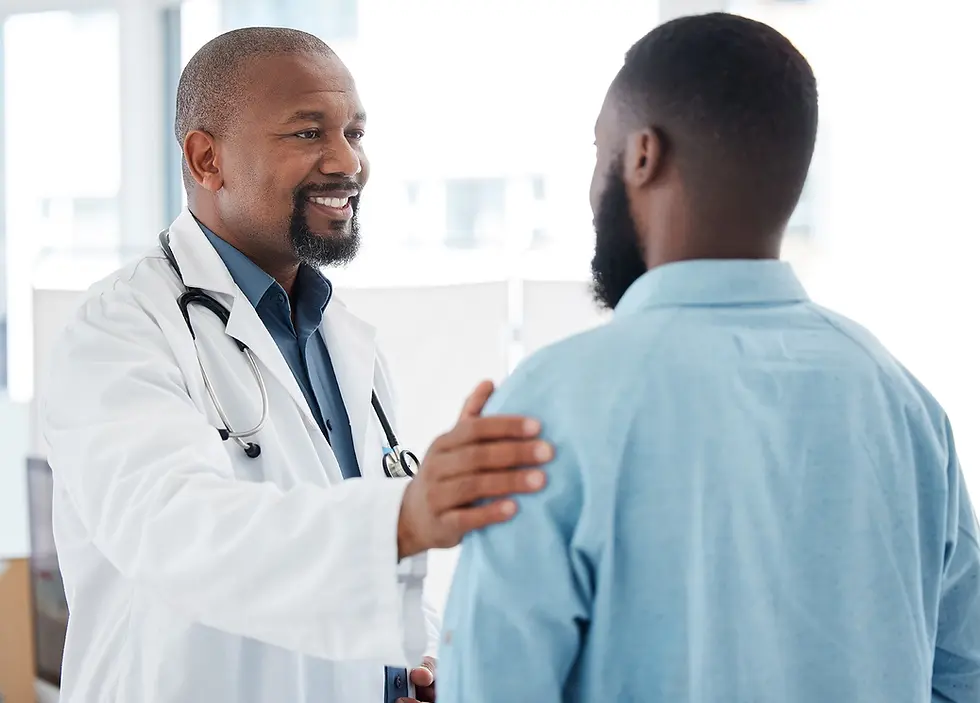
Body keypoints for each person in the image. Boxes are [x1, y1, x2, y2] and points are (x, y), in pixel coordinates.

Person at [437, 12, 980, 703]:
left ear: (642, 155)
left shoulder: (545, 405)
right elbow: (962, 677)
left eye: (597, 152)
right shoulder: (905, 406)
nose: (590, 185)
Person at [40, 27, 552, 703]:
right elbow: (177, 532)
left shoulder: (344, 340)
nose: (348, 162)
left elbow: (345, 563)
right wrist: (404, 515)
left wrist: (413, 660)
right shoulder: (117, 333)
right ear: (206, 158)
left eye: (356, 132)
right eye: (308, 133)